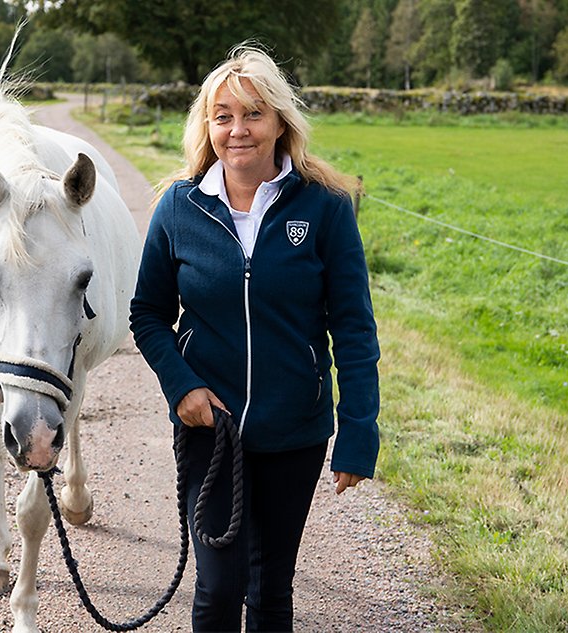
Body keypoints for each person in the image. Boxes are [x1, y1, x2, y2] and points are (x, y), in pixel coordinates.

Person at [129, 43, 380, 632]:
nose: (237, 130)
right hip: (209, 432)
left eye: (252, 114)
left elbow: (354, 329)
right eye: (223, 116)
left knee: (271, 588)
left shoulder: (326, 209)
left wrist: (359, 433)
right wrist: (182, 387)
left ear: (279, 122)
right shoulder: (178, 209)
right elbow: (147, 314)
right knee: (219, 589)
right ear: (208, 126)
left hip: (296, 429)